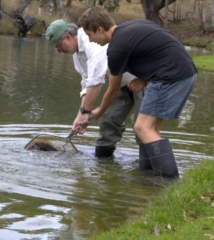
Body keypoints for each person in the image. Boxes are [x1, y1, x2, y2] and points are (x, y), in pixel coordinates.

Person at [77, 6, 198, 178]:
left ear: (100, 29)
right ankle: (148, 174)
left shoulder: (116, 49)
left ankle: (170, 182)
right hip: (185, 72)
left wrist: (98, 111)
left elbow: (112, 90)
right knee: (151, 128)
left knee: (142, 127)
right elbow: (159, 50)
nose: (90, 40)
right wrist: (145, 79)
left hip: (171, 76)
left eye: (89, 34)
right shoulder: (130, 28)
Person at [45, 19, 146, 158]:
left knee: (142, 127)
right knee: (108, 120)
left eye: (58, 46)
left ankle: (154, 170)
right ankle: (104, 162)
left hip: (143, 80)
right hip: (120, 85)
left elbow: (96, 82)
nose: (59, 51)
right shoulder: (77, 55)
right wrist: (80, 115)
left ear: (68, 37)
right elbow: (86, 83)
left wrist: (86, 112)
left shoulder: (91, 42)